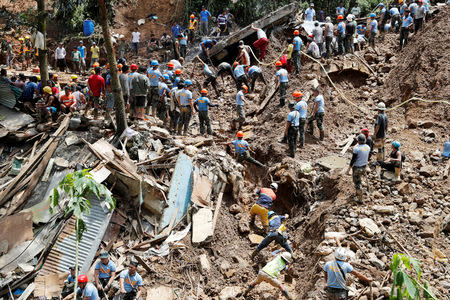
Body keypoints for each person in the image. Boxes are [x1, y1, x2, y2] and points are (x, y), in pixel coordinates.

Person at [347, 134, 370, 202]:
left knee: (357, 182)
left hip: (357, 167)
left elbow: (353, 160)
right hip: (364, 166)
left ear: (358, 141)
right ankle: (367, 189)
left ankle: (360, 199)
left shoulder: (356, 148)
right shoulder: (368, 147)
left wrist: (349, 169)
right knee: (361, 178)